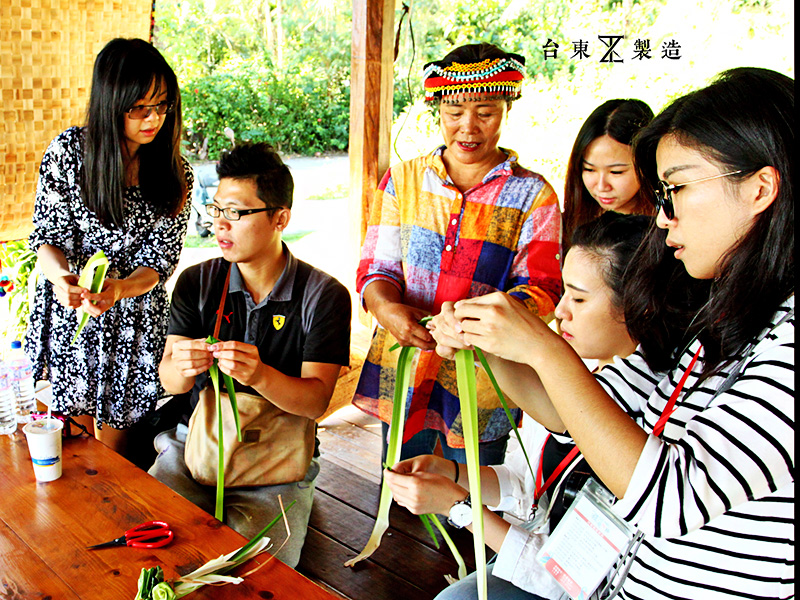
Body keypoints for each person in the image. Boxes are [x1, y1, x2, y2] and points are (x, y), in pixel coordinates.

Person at [428, 67, 794, 599]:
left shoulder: (784, 341)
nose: (663, 217)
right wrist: (491, 344)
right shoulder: (725, 319)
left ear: (760, 188)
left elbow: (670, 496)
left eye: (677, 188)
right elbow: (576, 419)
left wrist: (544, 348)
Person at [386, 212, 653, 599]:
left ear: (640, 304)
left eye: (578, 297)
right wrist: (453, 474)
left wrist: (460, 507)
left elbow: (565, 580)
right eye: (564, 293)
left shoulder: (641, 414)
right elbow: (532, 485)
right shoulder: (578, 372)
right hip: (535, 551)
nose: (560, 311)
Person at [352, 42, 562, 468]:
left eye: (485, 112)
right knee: (401, 480)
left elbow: (542, 290)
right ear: (438, 111)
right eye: (454, 113)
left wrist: (474, 326)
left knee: (474, 497)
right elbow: (377, 266)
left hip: (484, 374)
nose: (468, 127)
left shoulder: (533, 194)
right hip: (405, 365)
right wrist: (387, 309)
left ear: (507, 108)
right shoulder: (403, 180)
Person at [149, 142, 351, 569]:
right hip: (196, 449)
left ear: (280, 218)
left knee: (253, 571)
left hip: (277, 464)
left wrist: (259, 375)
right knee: (152, 542)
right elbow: (170, 380)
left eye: (237, 213)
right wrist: (182, 369)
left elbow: (315, 402)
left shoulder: (324, 296)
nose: (220, 225)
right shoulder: (197, 282)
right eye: (216, 209)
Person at [25, 38, 192, 457]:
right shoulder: (70, 153)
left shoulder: (175, 173)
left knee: (116, 455)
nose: (153, 118)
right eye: (139, 107)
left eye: (162, 105)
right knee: (73, 445)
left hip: (133, 319)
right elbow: (47, 239)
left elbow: (158, 263)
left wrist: (119, 289)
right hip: (74, 313)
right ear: (111, 101)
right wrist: (62, 280)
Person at [562, 99, 654, 245]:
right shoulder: (562, 227)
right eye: (589, 169)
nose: (601, 186)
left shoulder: (670, 225)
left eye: (616, 172)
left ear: (646, 164)